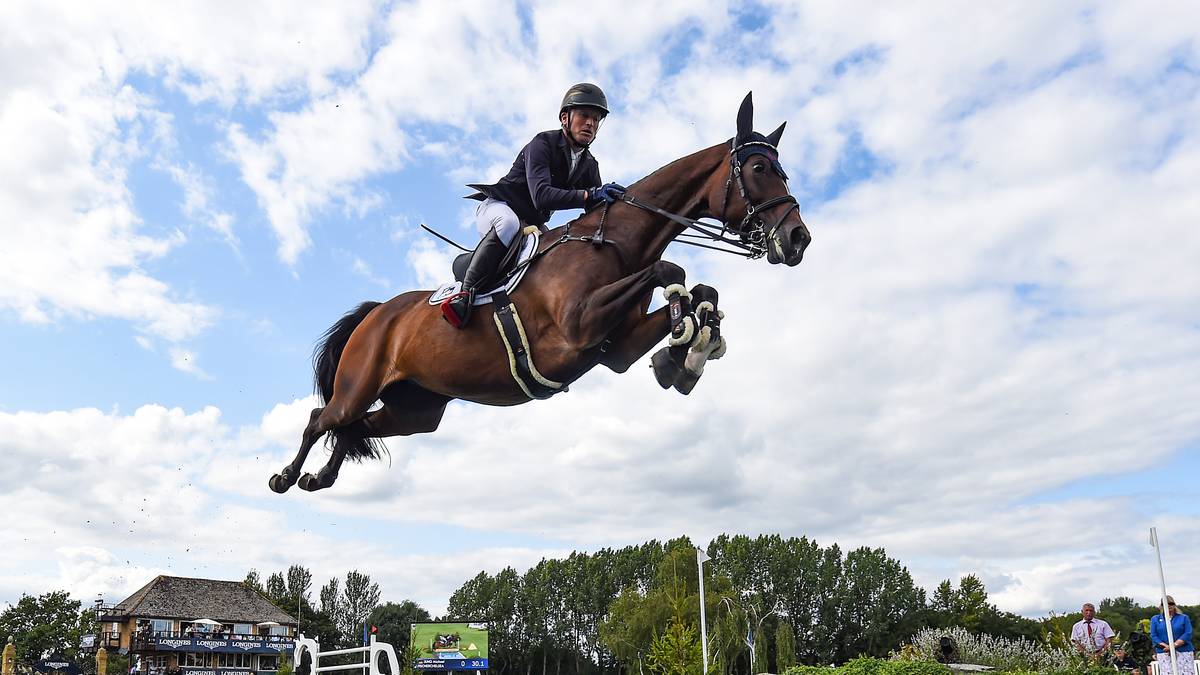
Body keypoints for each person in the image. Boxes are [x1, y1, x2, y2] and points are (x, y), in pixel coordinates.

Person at [443, 82, 626, 328]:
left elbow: (596, 212)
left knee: (558, 254)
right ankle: (464, 295)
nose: (590, 123)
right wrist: (588, 195)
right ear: (565, 118)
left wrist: (623, 211)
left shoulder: (590, 165)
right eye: (584, 115)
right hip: (498, 208)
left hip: (532, 224)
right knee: (509, 225)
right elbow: (542, 196)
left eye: (596, 119)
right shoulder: (543, 143)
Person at [1150, 595, 1194, 675]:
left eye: (1171, 603)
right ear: (1161, 606)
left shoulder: (1184, 618)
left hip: (1183, 651)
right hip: (1164, 652)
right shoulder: (1155, 619)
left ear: (1174, 605)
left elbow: (1188, 633)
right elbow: (1154, 635)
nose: (1168, 605)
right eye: (1165, 604)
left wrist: (1173, 646)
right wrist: (1166, 647)